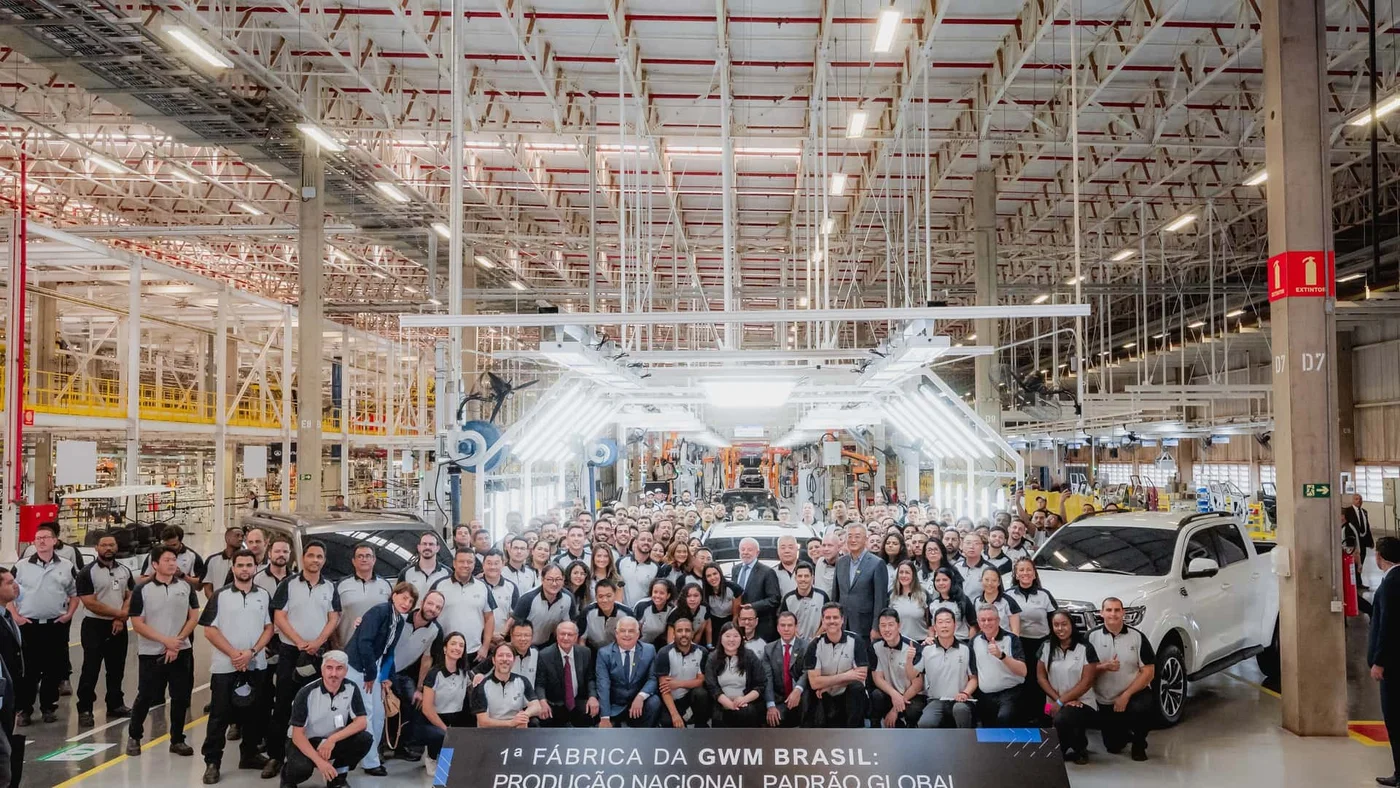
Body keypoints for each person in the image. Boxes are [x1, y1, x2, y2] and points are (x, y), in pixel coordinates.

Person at [265, 541, 342, 779]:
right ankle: (276, 756)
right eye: (311, 555)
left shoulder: (330, 587)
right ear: (303, 558)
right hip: (291, 653)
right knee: (282, 704)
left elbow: (334, 617)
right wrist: (299, 641)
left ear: (324, 561)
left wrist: (318, 642)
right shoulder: (288, 584)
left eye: (320, 556)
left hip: (319, 655)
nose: (315, 560)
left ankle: (315, 756)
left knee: (318, 706)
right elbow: (279, 616)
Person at [200, 549, 274, 783]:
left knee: (255, 713)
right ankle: (212, 762)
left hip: (256, 665)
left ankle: (249, 754)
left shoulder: (263, 595)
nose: (244, 569)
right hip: (225, 667)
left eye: (248, 565)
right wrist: (234, 655)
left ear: (255, 567)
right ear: (233, 568)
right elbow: (209, 630)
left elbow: (269, 628)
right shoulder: (220, 596)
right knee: (219, 716)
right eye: (240, 565)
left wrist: (252, 653)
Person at [126, 544, 200, 757]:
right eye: (167, 560)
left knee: (180, 697)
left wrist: (177, 641)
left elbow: (193, 616)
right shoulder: (143, 589)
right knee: (146, 695)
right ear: (155, 564)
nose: (172, 563)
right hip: (151, 653)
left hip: (181, 651)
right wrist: (165, 641)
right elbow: (137, 623)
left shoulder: (185, 587)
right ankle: (134, 736)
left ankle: (177, 739)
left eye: (174, 560)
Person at [344, 583, 417, 778]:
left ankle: (370, 754)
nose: (406, 603)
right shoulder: (379, 611)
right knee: (366, 713)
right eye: (404, 597)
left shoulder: (399, 621)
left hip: (374, 667)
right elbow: (364, 642)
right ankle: (370, 762)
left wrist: (385, 677)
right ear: (394, 595)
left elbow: (389, 652)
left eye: (411, 601)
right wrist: (369, 674)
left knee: (378, 714)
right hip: (358, 667)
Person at [11, 521, 78, 726]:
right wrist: (16, 616)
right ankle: (24, 710)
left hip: (55, 625)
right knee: (28, 670)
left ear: (54, 541)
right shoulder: (21, 566)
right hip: (28, 626)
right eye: (38, 538)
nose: (41, 541)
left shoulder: (66, 566)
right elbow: (7, 592)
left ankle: (49, 707)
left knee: (53, 668)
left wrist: (69, 614)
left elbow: (75, 593)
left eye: (45, 538)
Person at [281, 650, 373, 788]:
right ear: (322, 670)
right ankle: (288, 778)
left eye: (339, 668)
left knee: (364, 739)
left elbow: (361, 722)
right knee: (301, 769)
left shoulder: (351, 688)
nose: (334, 674)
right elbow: (297, 735)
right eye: (329, 668)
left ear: (346, 671)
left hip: (332, 740)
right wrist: (320, 762)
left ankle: (338, 777)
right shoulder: (306, 693)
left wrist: (332, 740)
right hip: (305, 740)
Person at [74, 532, 133, 727]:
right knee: (90, 668)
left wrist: (120, 618)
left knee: (116, 668)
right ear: (96, 548)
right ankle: (85, 708)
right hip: (95, 626)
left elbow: (130, 595)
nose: (108, 548)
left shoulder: (124, 570)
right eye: (104, 545)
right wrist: (119, 614)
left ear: (117, 547)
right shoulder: (87, 573)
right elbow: (90, 603)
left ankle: (115, 704)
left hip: (119, 626)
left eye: (111, 545)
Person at [1088, 596, 1156, 761]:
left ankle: (1139, 744)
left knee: (1143, 708)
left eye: (1117, 610)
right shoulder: (1091, 637)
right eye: (1109, 610)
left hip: (1133, 694)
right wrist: (1103, 667)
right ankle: (1124, 731)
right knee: (1113, 746)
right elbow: (1082, 670)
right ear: (1101, 613)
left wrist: (1126, 695)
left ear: (1123, 613)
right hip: (1105, 700)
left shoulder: (1137, 637)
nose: (1113, 614)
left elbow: (1149, 671)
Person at [1038, 610, 1099, 765]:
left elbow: (1087, 682)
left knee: (1064, 718)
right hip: (1052, 702)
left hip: (1082, 703)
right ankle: (1063, 745)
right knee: (1045, 722)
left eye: (1064, 624)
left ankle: (1080, 748)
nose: (1060, 628)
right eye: (1056, 625)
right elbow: (1041, 677)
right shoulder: (1046, 646)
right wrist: (1058, 701)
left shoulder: (1085, 648)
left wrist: (1062, 702)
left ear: (1072, 625)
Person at [412, 632, 472, 773]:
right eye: (453, 644)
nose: (457, 648)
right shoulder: (434, 674)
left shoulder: (465, 673)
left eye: (461, 645)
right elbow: (427, 709)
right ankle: (431, 757)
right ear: (445, 648)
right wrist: (445, 729)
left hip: (455, 717)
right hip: (433, 720)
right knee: (441, 735)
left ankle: (446, 760)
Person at [802, 602, 868, 728]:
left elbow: (861, 675)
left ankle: (855, 732)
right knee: (809, 692)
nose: (832, 621)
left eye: (835, 617)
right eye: (828, 618)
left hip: (847, 694)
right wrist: (847, 675)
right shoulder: (814, 645)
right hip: (824, 695)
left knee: (857, 687)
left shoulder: (856, 640)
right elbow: (814, 682)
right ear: (823, 620)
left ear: (842, 620)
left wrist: (830, 685)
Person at [1007, 558, 1057, 723]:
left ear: (1035, 574)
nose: (1025, 573)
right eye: (1021, 570)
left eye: (1029, 570)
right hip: (1019, 644)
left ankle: (1045, 715)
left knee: (1042, 681)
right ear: (1016, 574)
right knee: (1023, 681)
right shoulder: (1009, 595)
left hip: (1042, 644)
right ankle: (1023, 717)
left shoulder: (1044, 595)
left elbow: (1055, 620)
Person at [909, 608, 978, 729]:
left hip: (960, 701)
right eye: (940, 622)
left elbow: (974, 679)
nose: (944, 625)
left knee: (960, 709)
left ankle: (965, 739)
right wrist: (909, 660)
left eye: (948, 621)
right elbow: (912, 675)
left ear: (955, 625)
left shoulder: (966, 649)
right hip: (936, 700)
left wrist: (965, 693)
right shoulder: (926, 649)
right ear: (935, 627)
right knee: (925, 723)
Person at [431, 550, 496, 665]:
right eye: (461, 561)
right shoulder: (439, 585)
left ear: (474, 564)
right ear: (454, 563)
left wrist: (485, 647)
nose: (466, 565)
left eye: (469, 562)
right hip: (443, 650)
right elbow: (429, 614)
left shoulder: (483, 587)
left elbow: (489, 618)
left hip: (474, 651)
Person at [595, 617, 661, 728]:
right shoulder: (604, 653)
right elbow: (603, 685)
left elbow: (653, 678)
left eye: (631, 631)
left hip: (638, 703)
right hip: (614, 705)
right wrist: (605, 717)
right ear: (616, 633)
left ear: (638, 634)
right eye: (622, 631)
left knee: (654, 701)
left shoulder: (649, 650)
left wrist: (640, 697)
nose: (626, 635)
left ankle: (643, 733)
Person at [1372, 537, 1400, 786]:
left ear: (1380, 556)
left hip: (1393, 665)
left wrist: (1379, 661)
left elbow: (1387, 626)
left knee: (1394, 720)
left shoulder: (1391, 583)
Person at [536, 621, 600, 727]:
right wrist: (542, 702)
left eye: (570, 634)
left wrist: (592, 697)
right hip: (555, 702)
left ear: (576, 637)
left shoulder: (585, 652)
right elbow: (540, 683)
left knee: (593, 712)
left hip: (578, 700)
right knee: (544, 717)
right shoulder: (545, 655)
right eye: (562, 634)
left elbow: (590, 678)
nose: (565, 638)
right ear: (557, 636)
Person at [868, 609, 923, 728]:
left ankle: (909, 728)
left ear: (899, 625)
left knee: (913, 710)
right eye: (883, 625)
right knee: (876, 695)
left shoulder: (913, 647)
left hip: (911, 694)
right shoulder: (875, 647)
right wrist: (894, 694)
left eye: (890, 625)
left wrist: (895, 709)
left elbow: (917, 685)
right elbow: (877, 678)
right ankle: (875, 728)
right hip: (890, 693)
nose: (887, 629)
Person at [833, 523, 888, 641]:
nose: (853, 540)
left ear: (866, 540)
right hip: (842, 624)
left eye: (857, 536)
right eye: (850, 536)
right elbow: (836, 595)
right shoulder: (841, 562)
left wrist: (876, 627)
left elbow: (880, 599)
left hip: (865, 626)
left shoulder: (877, 563)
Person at [704, 622, 765, 727]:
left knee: (747, 712)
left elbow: (761, 684)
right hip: (722, 704)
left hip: (745, 704)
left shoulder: (750, 656)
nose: (731, 640)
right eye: (727, 636)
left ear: (742, 638)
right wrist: (729, 704)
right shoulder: (712, 658)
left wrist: (743, 699)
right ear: (721, 638)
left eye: (736, 636)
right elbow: (712, 687)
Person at [655, 616, 711, 728]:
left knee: (701, 693)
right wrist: (675, 715)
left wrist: (678, 683)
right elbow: (664, 688)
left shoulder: (702, 652)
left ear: (693, 633)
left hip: (691, 697)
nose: (684, 634)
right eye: (680, 631)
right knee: (668, 723)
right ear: (674, 634)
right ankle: (681, 716)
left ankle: (700, 725)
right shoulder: (664, 653)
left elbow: (700, 681)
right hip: (672, 699)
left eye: (687, 630)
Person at [509, 564, 575, 647]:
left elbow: (571, 624)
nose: (554, 583)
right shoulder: (528, 598)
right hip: (526, 644)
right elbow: (514, 623)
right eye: (550, 579)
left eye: (558, 579)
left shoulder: (568, 598)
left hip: (550, 644)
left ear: (563, 579)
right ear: (542, 579)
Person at [761, 611, 808, 727]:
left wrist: (797, 689)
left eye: (790, 625)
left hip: (802, 696)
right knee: (774, 720)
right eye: (783, 625)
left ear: (796, 627)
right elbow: (767, 679)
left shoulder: (806, 646)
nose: (786, 629)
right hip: (780, 699)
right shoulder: (768, 649)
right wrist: (771, 705)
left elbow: (807, 672)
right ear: (777, 628)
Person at [731, 538, 781, 640]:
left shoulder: (767, 572)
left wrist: (753, 606)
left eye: (749, 550)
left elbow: (774, 599)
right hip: (739, 624)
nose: (745, 552)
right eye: (743, 549)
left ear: (757, 552)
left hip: (761, 626)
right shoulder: (735, 569)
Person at [577, 579, 633, 650]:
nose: (605, 600)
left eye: (609, 596)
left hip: (620, 650)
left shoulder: (626, 613)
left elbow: (633, 638)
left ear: (615, 595)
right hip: (593, 650)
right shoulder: (587, 612)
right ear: (596, 597)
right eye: (600, 596)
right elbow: (581, 640)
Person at [138, 526, 206, 585]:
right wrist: (155, 575)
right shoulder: (153, 555)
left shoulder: (192, 556)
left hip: (182, 593)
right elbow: (140, 581)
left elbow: (199, 586)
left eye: (174, 545)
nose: (170, 548)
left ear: (180, 541)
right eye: (167, 545)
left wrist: (182, 575)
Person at [970, 566, 1021, 634]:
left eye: (994, 580)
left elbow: (1015, 631)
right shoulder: (977, 601)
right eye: (986, 580)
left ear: (999, 582)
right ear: (981, 580)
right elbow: (975, 627)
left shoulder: (1009, 601)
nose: (989, 583)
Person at [399, 533, 451, 599]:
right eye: (424, 544)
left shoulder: (447, 573)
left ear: (437, 548)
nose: (427, 547)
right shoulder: (406, 573)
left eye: (431, 544)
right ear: (419, 547)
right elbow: (399, 598)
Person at [888, 561, 929, 643]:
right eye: (901, 572)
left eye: (907, 573)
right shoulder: (892, 595)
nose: (904, 575)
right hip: (899, 642)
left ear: (913, 575)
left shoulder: (923, 594)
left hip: (921, 642)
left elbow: (930, 621)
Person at [202, 527, 246, 599]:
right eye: (237, 535)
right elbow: (207, 588)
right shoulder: (213, 560)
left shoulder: (248, 560)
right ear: (227, 539)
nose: (240, 538)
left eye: (242, 536)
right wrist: (215, 602)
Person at [619, 533, 659, 608]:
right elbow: (615, 586)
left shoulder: (656, 567)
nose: (646, 542)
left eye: (649, 540)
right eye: (643, 539)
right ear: (635, 542)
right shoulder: (621, 562)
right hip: (623, 610)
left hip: (643, 611)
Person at [633, 578, 675, 648]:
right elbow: (634, 630)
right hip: (638, 644)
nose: (657, 596)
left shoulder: (671, 609)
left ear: (668, 595)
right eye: (655, 592)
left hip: (659, 645)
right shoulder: (642, 606)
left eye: (661, 593)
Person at [1348, 494, 1376, 588]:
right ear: (1353, 500)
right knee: (1355, 561)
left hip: (1363, 541)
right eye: (1356, 499)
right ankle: (1354, 582)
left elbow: (1367, 526)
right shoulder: (1349, 511)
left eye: (1360, 499)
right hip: (1354, 541)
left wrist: (1370, 541)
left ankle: (1359, 582)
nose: (1359, 501)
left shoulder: (1364, 512)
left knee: (1361, 560)